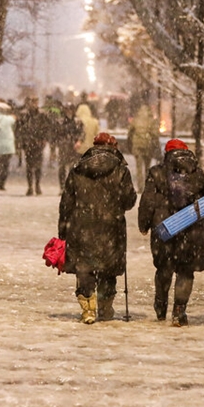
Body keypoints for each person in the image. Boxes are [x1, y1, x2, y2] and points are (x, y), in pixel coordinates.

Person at [58, 132, 137, 324]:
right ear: (114, 147)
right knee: (108, 268)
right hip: (111, 226)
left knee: (84, 267)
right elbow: (129, 201)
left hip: (81, 226)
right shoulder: (120, 170)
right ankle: (105, 306)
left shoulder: (78, 169)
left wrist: (63, 229)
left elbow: (67, 202)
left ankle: (88, 309)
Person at [138, 139, 204, 327]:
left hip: (165, 229)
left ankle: (160, 306)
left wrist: (144, 224)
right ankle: (179, 310)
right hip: (190, 229)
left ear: (167, 153)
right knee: (186, 271)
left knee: (164, 269)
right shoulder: (197, 174)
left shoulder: (157, 172)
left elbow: (148, 201)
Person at [17, 96, 49, 195]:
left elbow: (47, 128)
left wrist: (44, 139)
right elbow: (19, 129)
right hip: (28, 143)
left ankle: (37, 185)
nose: (33, 104)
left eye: (35, 102)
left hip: (38, 143)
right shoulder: (24, 115)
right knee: (29, 166)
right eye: (32, 102)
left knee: (38, 165)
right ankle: (30, 186)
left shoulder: (42, 114)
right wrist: (21, 141)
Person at [128, 103, 160, 191]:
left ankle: (140, 187)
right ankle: (147, 185)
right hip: (148, 145)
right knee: (147, 167)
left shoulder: (136, 119)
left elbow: (130, 132)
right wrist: (156, 145)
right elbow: (155, 134)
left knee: (139, 167)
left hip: (137, 145)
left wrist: (130, 144)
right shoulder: (151, 120)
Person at [53, 103, 84, 192]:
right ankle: (62, 187)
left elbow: (82, 133)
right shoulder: (60, 121)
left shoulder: (77, 121)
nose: (69, 111)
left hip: (74, 147)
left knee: (73, 167)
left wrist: (79, 141)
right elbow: (56, 134)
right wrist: (55, 146)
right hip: (63, 147)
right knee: (62, 167)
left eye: (70, 109)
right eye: (67, 109)